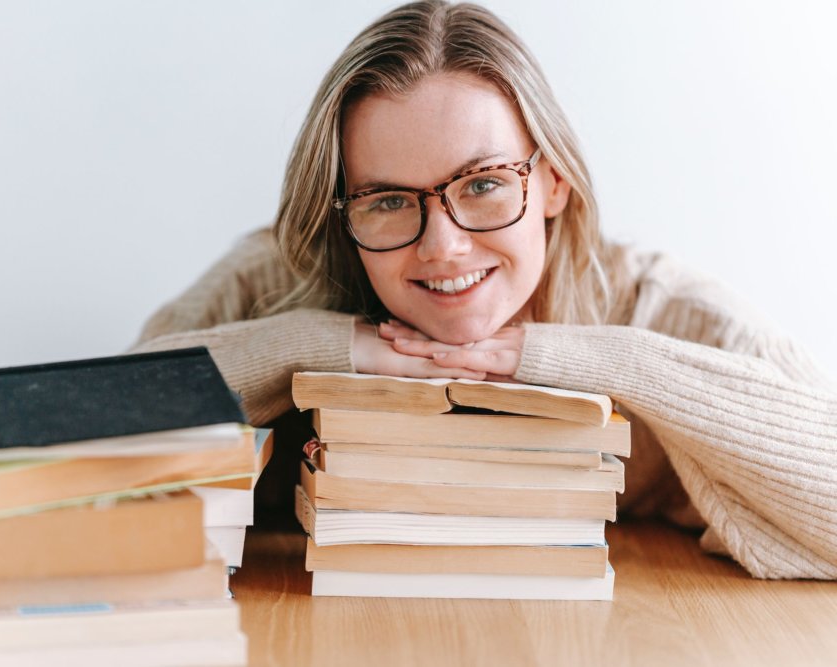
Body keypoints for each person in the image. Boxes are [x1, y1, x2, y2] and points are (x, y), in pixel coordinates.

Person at [130, 1, 837, 579]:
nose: (444, 246)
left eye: (485, 183)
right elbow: (76, 452)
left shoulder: (662, 308)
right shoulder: (274, 285)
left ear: (554, 178)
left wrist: (580, 361)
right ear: (343, 216)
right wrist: (315, 349)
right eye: (386, 200)